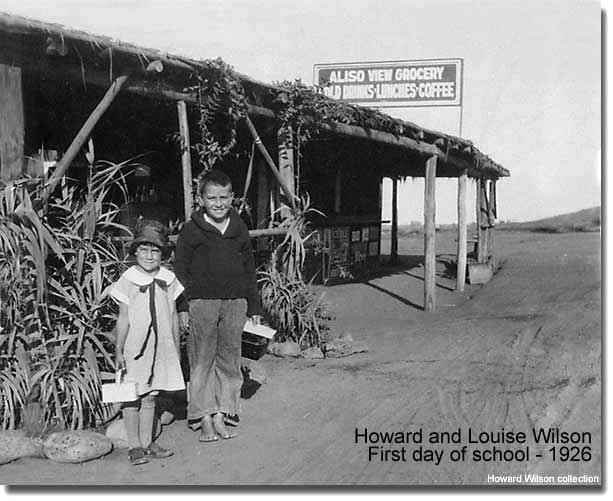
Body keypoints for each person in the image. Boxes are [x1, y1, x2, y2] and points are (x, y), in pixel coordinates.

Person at [175, 169, 261, 442]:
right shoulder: (191, 231)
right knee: (201, 360)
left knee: (230, 359)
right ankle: (204, 416)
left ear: (232, 197)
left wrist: (255, 307)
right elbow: (180, 270)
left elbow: (249, 269)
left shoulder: (239, 229)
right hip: (202, 303)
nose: (218, 203)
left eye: (224, 197)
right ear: (201, 199)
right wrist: (182, 306)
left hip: (235, 303)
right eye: (212, 197)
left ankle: (222, 414)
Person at [110, 220, 185, 465]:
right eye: (144, 249)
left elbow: (173, 314)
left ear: (163, 254)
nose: (149, 255)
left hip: (161, 346)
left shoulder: (169, 279)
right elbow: (123, 318)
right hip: (135, 348)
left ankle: (148, 442)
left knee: (151, 395)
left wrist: (174, 347)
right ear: (135, 251)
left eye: (155, 250)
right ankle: (134, 447)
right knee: (132, 395)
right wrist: (119, 349)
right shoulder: (128, 279)